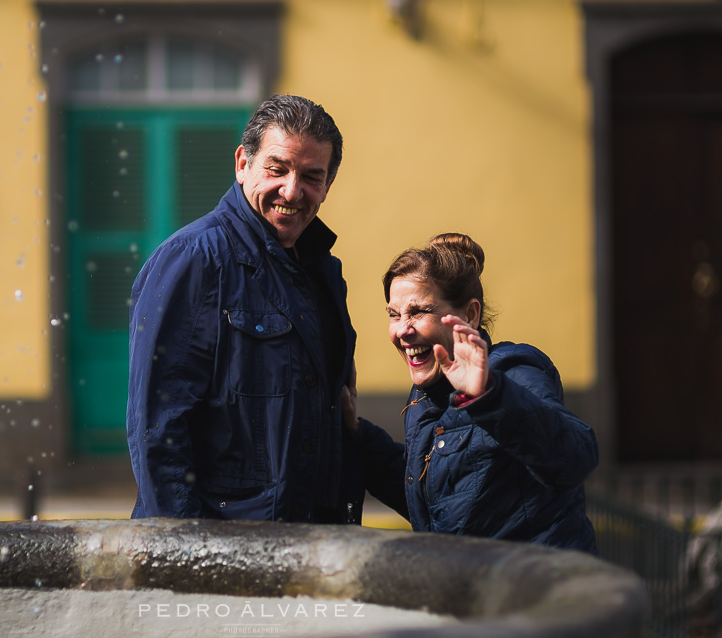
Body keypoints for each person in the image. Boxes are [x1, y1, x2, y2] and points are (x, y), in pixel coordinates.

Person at [127, 93, 363, 523]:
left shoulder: (324, 272)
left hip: (314, 551)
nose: (292, 191)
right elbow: (156, 431)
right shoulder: (193, 259)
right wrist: (183, 557)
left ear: (328, 185)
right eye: (277, 169)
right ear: (242, 164)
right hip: (223, 557)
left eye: (312, 176)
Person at [348, 233, 598, 552]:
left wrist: (490, 395)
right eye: (394, 314)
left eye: (418, 311)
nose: (401, 330)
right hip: (473, 593)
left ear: (470, 315)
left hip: (537, 593)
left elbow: (576, 458)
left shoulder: (513, 370)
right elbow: (439, 501)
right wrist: (355, 434)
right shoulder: (426, 395)